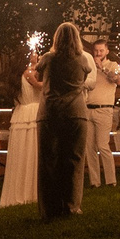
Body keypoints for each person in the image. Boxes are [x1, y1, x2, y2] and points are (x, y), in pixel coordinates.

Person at [39, 22, 91, 219]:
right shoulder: (83, 60)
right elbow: (86, 74)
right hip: (76, 113)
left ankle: (50, 209)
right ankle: (72, 206)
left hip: (50, 113)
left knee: (49, 161)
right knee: (74, 161)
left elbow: (38, 71)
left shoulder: (48, 59)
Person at [0, 49, 45, 209]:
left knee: (22, 153)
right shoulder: (27, 74)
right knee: (31, 151)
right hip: (31, 113)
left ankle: (22, 189)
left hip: (20, 113)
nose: (36, 55)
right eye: (33, 53)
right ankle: (30, 191)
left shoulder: (19, 74)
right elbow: (40, 86)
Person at [83, 41, 120, 187]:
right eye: (96, 51)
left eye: (101, 50)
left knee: (103, 145)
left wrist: (102, 68)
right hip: (88, 108)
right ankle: (95, 181)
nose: (98, 53)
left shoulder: (113, 65)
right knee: (89, 147)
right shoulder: (89, 66)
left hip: (104, 109)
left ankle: (111, 180)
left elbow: (118, 79)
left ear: (107, 51)